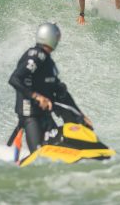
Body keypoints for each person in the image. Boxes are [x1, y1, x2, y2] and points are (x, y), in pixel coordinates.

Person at [8, 22, 93, 152]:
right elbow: (15, 79)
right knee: (39, 153)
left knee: (58, 147)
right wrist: (36, 96)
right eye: (57, 37)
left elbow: (60, 91)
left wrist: (80, 116)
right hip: (30, 115)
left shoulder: (48, 61)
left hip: (45, 115)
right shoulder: (35, 55)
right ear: (50, 37)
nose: (58, 41)